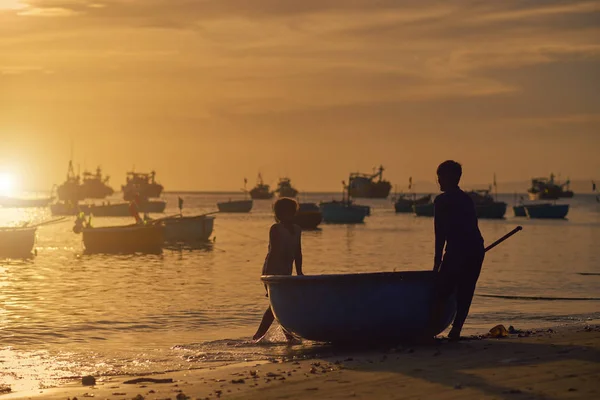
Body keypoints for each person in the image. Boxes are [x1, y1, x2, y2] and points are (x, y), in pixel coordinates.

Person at [431, 160, 485, 340]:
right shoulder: (466, 199)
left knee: (442, 291)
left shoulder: (441, 201)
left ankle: (430, 330)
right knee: (465, 291)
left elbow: (440, 234)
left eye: (441, 177)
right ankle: (456, 330)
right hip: (475, 249)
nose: (438, 181)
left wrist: (437, 263)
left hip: (461, 250)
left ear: (452, 177)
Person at [252, 197, 303, 342]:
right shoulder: (276, 229)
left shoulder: (297, 230)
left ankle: (286, 336)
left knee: (281, 304)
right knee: (277, 304)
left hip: (287, 271)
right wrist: (270, 280)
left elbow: (298, 252)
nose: (287, 215)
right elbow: (273, 252)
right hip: (272, 270)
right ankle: (261, 335)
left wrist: (299, 272)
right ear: (279, 214)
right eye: (283, 212)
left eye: (290, 212)